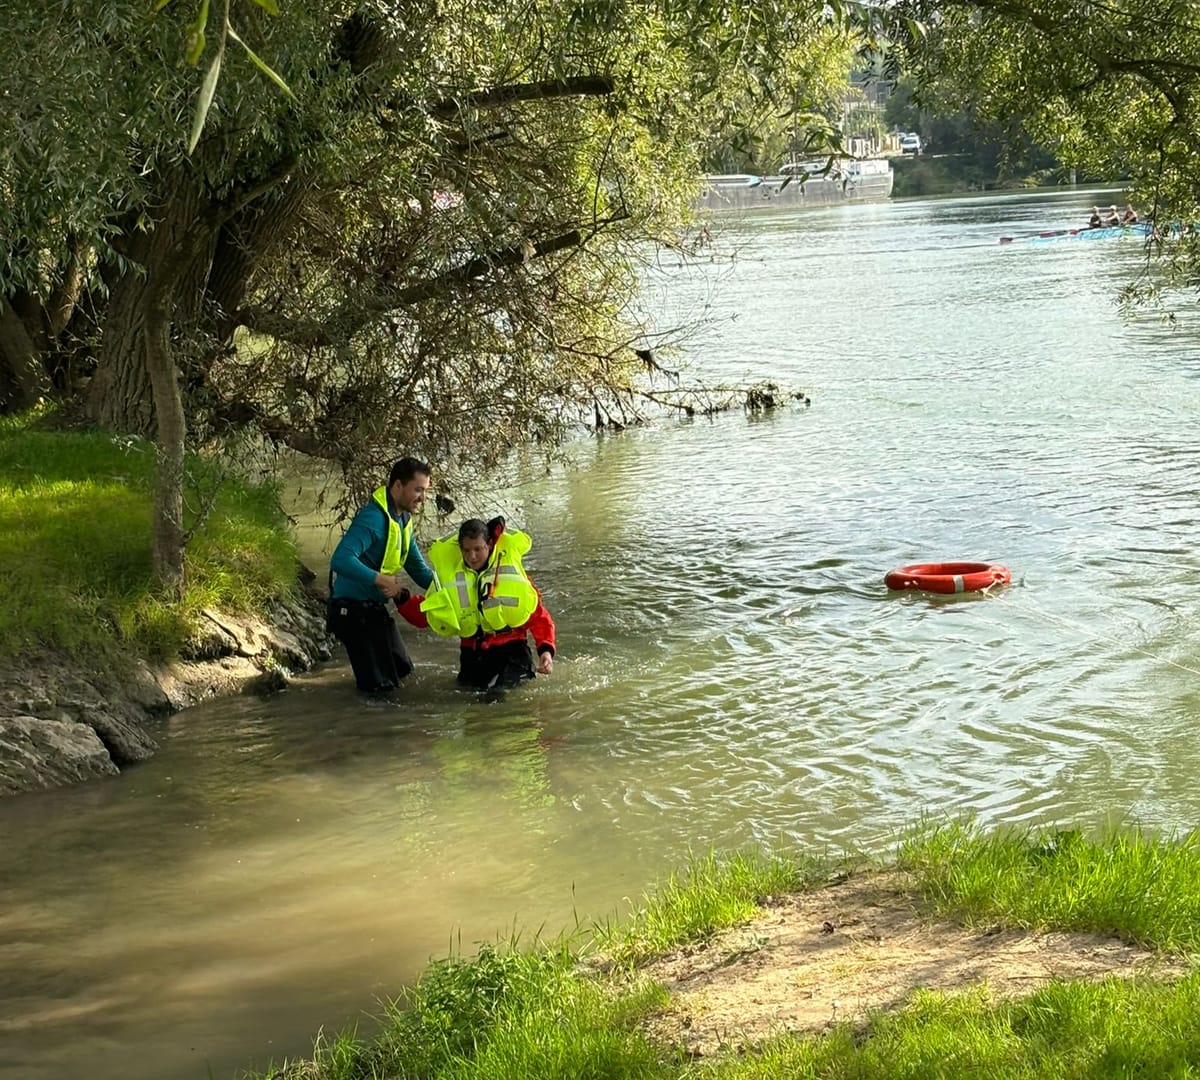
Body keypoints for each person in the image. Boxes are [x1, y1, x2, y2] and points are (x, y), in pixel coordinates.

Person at [396, 517, 555, 691]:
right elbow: (426, 614)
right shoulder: (449, 578)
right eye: (467, 550)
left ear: (489, 545)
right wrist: (400, 596)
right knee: (468, 701)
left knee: (495, 698)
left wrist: (545, 651)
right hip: (472, 656)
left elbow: (539, 617)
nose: (472, 556)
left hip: (512, 655)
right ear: (460, 549)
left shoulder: (511, 575)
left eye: (478, 549)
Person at [327, 457, 435, 694]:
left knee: (403, 669)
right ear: (397, 486)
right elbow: (340, 559)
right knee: (380, 689)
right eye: (418, 490)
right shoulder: (373, 518)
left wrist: (454, 588)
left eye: (425, 491)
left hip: (372, 608)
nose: (422, 498)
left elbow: (418, 569)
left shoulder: (402, 520)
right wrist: (380, 579)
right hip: (350, 610)